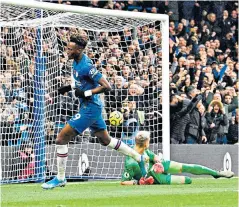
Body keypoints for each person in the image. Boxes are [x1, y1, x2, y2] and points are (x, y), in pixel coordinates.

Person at [42, 35, 148, 189]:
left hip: (90, 107)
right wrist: (67, 88)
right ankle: (138, 157)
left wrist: (85, 94)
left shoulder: (86, 65)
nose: (67, 51)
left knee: (61, 138)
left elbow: (106, 86)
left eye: (70, 49)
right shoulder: (76, 63)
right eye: (67, 48)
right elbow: (81, 82)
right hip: (91, 106)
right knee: (105, 140)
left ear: (79, 50)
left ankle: (60, 178)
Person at [121, 131, 234, 185]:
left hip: (160, 166)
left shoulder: (143, 149)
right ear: (145, 143)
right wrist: (138, 182)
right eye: (149, 141)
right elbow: (123, 182)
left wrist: (158, 161)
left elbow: (153, 156)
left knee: (187, 167)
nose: (149, 142)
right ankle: (168, 176)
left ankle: (216, 174)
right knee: (187, 180)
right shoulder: (130, 161)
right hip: (155, 178)